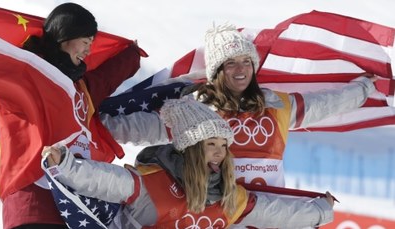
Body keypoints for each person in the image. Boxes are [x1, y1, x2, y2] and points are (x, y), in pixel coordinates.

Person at [102, 22, 376, 188]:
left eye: (247, 62)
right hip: (216, 214)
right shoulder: (195, 106)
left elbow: (325, 104)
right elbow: (140, 127)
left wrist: (364, 88)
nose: (240, 69)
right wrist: (94, 124)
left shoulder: (277, 104)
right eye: (230, 63)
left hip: (268, 213)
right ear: (216, 71)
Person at [43, 97, 335, 228]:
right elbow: (103, 180)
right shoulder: (151, 182)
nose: (220, 153)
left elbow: (276, 214)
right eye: (211, 145)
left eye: (224, 146)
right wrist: (66, 164)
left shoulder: (230, 197)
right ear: (191, 150)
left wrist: (320, 211)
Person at [0, 3, 145, 228]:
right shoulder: (29, 73)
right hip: (32, 202)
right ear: (65, 37)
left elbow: (106, 78)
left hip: (70, 206)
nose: (88, 51)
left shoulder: (80, 88)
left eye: (92, 44)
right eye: (85, 42)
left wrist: (132, 55)